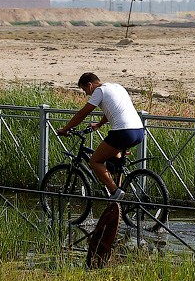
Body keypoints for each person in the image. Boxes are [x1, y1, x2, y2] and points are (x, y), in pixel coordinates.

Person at [56, 73, 144, 201]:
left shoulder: (99, 91)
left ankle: (114, 191)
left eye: (85, 89)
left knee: (95, 161)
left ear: (90, 85)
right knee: (115, 157)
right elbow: (113, 110)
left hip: (123, 132)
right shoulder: (117, 87)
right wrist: (99, 124)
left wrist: (65, 129)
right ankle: (118, 193)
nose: (86, 94)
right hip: (138, 130)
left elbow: (83, 113)